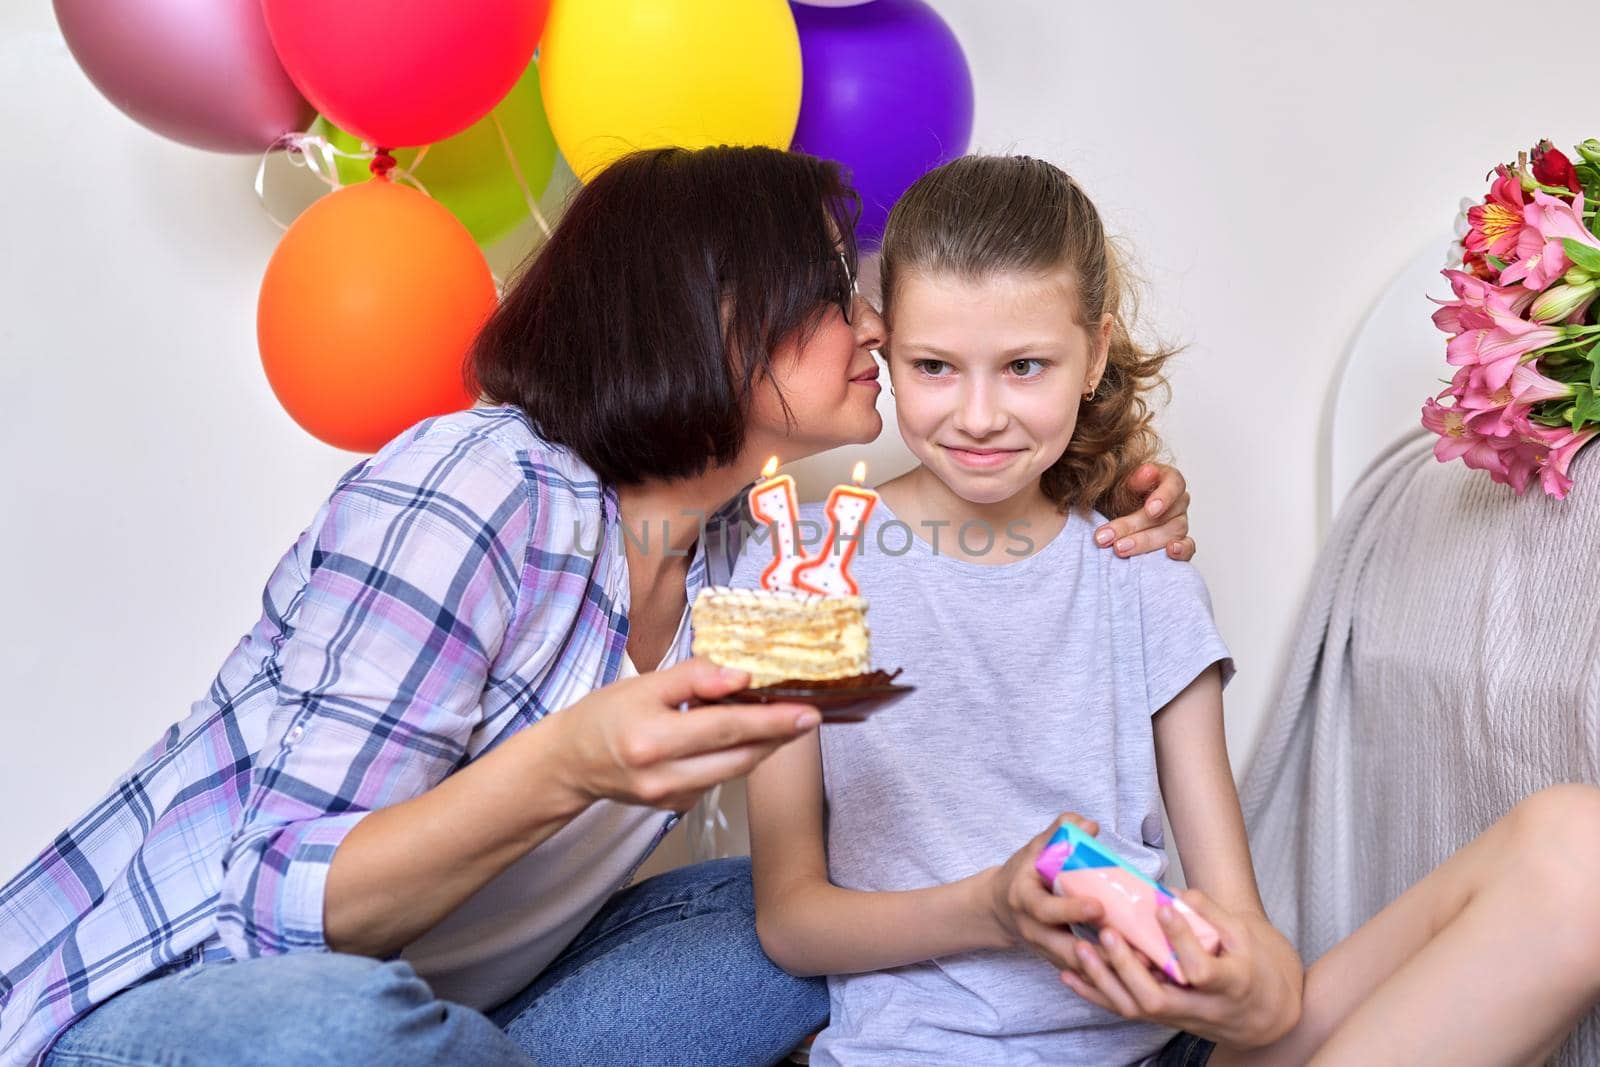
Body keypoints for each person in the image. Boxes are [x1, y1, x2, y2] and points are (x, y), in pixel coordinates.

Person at [0, 146, 1196, 1067]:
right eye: (836, 293)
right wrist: (572, 761)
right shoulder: (474, 487)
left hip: (470, 1007)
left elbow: (965, 525)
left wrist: (1117, 493)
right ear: (719, 314)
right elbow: (274, 909)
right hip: (180, 1001)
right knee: (348, 1028)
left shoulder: (737, 557)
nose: (876, 327)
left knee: (784, 920)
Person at [744, 154, 1600, 1066]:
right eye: (934, 367)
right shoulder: (793, 563)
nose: (981, 414)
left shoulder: (1141, 570)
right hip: (923, 1055)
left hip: (1157, 1051)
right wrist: (992, 908)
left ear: (1095, 353)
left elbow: (1260, 967)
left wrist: (1237, 986)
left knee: (1576, 851)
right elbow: (792, 919)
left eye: (1025, 365)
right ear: (887, 352)